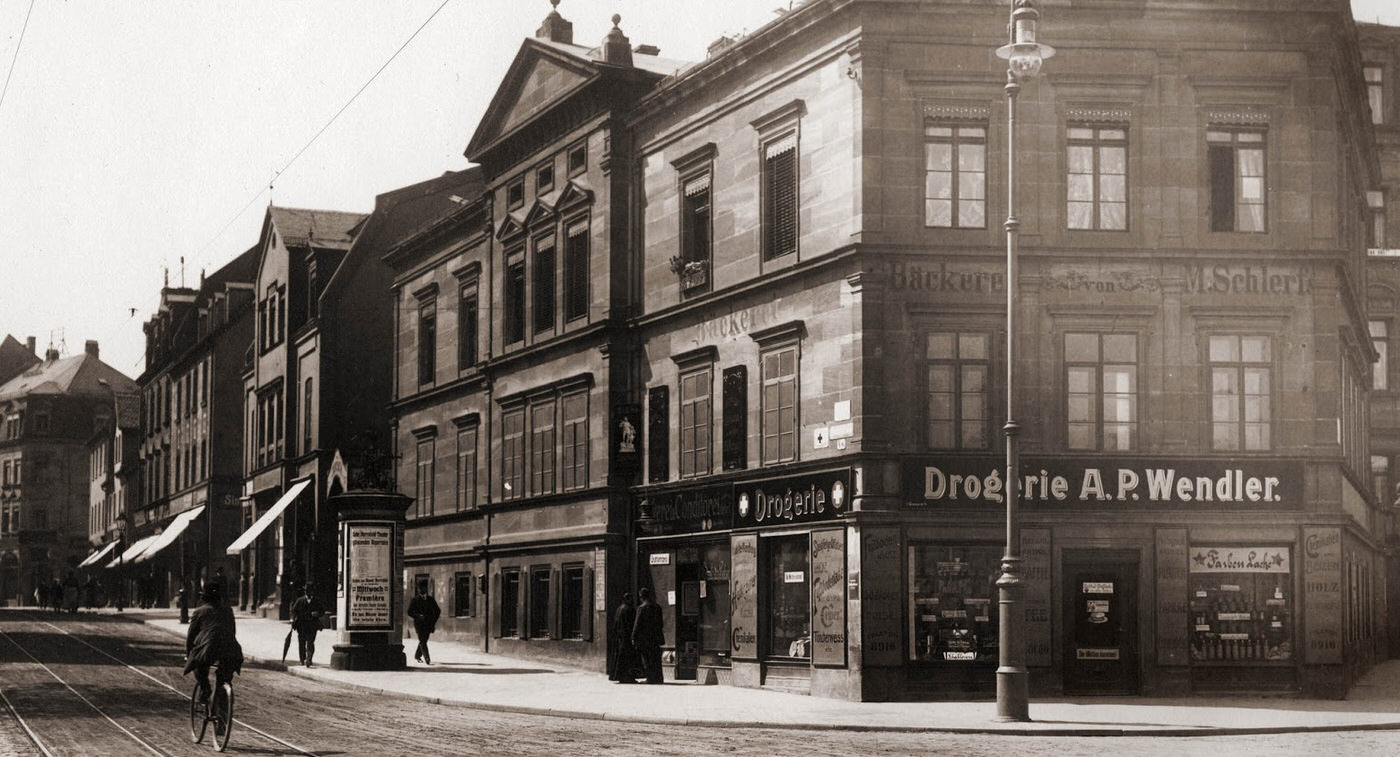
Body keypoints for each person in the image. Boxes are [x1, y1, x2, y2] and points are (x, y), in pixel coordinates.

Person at [184, 581, 243, 709]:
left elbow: (191, 636)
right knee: (224, 676)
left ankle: (205, 690)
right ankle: (221, 706)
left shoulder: (199, 612)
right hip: (231, 649)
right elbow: (232, 631)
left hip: (208, 648)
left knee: (199, 668)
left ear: (204, 597)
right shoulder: (228, 611)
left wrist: (189, 654)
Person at [632, 587, 664, 685]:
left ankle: (650, 678)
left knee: (647, 659)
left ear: (641, 597)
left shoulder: (641, 608)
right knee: (656, 658)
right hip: (655, 638)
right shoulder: (657, 607)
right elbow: (661, 623)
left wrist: (633, 636)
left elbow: (637, 624)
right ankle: (658, 678)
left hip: (645, 638)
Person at [289, 584, 324, 667]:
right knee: (301, 643)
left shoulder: (316, 601)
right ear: (305, 591)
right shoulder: (300, 600)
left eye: (310, 591)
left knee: (310, 642)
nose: (308, 592)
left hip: (312, 625)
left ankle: (309, 659)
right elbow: (293, 611)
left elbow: (322, 611)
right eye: (306, 591)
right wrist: (293, 619)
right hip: (301, 625)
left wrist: (317, 613)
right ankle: (302, 659)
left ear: (312, 591)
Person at [608, 592, 638, 684]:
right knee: (628, 658)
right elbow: (632, 624)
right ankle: (628, 677)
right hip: (627, 638)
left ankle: (619, 676)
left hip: (619, 637)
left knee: (619, 658)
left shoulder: (619, 609)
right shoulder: (629, 609)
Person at [406, 584, 441, 665]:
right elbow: (409, 612)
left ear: (426, 588)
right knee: (422, 640)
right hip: (419, 624)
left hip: (428, 624)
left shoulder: (430, 600)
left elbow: (438, 611)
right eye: (420, 588)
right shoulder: (414, 600)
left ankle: (417, 655)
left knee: (424, 640)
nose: (421, 590)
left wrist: (433, 620)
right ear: (418, 590)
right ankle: (427, 658)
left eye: (423, 587)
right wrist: (418, 616)